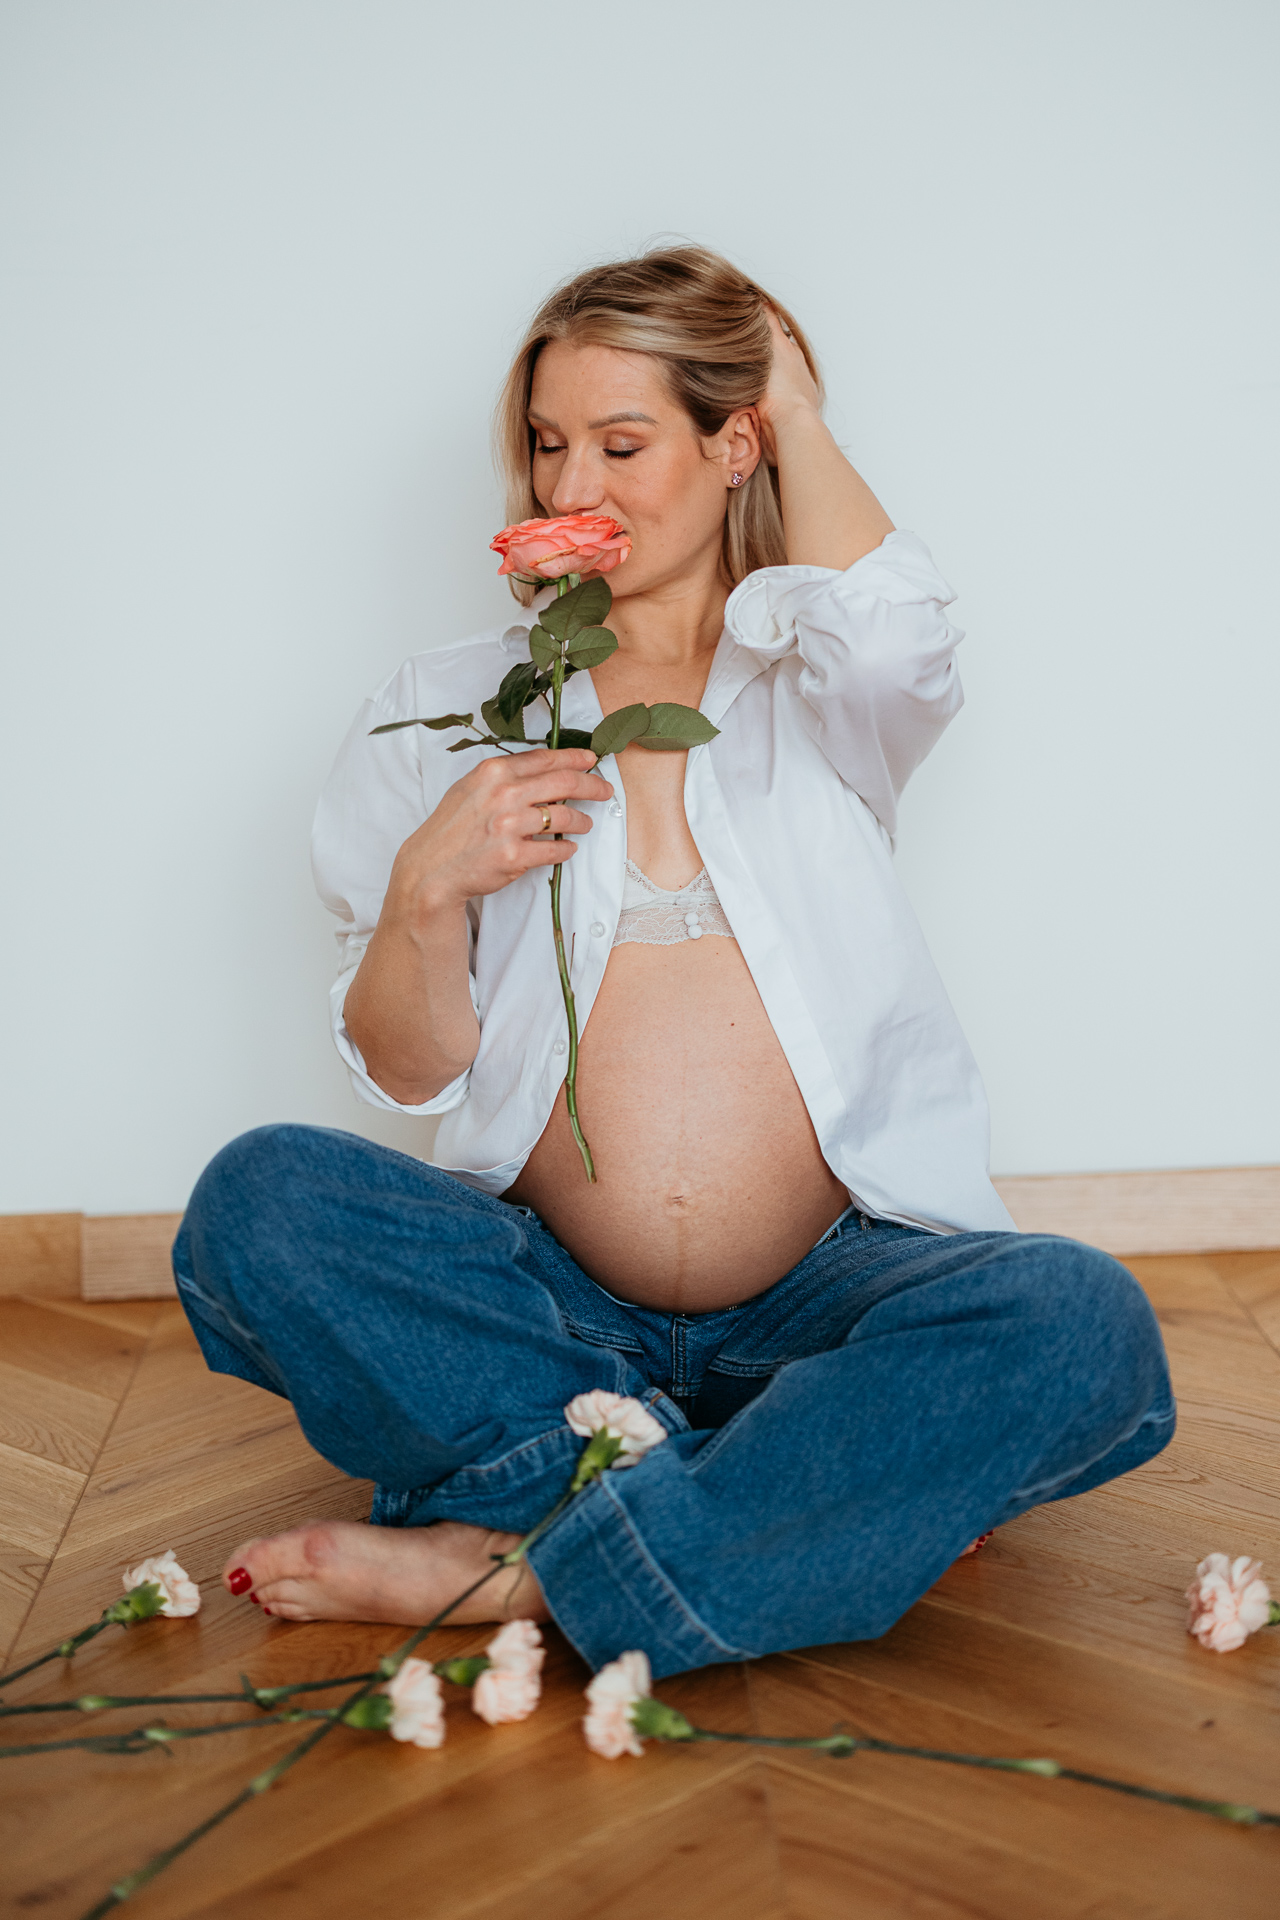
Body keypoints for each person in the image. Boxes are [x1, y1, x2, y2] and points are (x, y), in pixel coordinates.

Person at [173, 246, 1173, 1679]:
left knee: (1079, 1324)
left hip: (828, 1303)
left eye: (622, 443)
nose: (569, 485)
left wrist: (793, 400)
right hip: (549, 1308)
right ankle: (771, 1499)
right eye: (546, 444)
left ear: (732, 445)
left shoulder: (821, 687)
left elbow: (899, 639)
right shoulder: (443, 708)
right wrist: (424, 891)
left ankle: (526, 1563)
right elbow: (408, 1069)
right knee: (261, 1200)